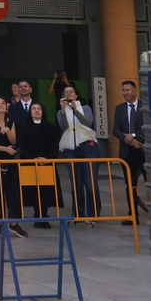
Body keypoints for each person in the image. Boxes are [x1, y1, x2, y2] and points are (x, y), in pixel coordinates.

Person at [0, 96, 26, 238]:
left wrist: (7, 130)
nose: (1, 105)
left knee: (13, 191)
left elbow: (13, 140)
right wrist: (4, 149)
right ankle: (1, 223)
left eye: (3, 103)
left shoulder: (10, 121)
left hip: (9, 161)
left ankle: (14, 223)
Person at [56, 84, 100, 221]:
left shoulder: (85, 108)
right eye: (66, 92)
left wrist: (75, 110)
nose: (69, 94)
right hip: (70, 148)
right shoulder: (60, 112)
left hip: (87, 146)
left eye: (71, 91)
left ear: (76, 95)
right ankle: (79, 213)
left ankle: (93, 215)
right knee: (76, 182)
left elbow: (88, 123)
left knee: (90, 182)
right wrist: (64, 111)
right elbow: (64, 127)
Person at [20, 102, 61, 228]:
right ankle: (37, 215)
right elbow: (22, 145)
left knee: (46, 190)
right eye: (34, 109)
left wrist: (47, 158)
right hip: (30, 163)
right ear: (30, 111)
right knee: (33, 191)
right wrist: (33, 158)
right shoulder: (24, 127)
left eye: (39, 109)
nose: (37, 111)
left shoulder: (50, 126)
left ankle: (44, 215)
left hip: (47, 164)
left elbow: (55, 144)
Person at [114, 80, 147, 221]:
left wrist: (133, 137)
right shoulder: (119, 108)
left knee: (150, 181)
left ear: (135, 90)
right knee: (130, 184)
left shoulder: (145, 106)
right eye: (123, 90)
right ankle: (133, 215)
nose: (125, 93)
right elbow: (115, 129)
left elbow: (147, 127)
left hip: (144, 150)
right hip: (127, 152)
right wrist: (125, 138)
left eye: (127, 90)